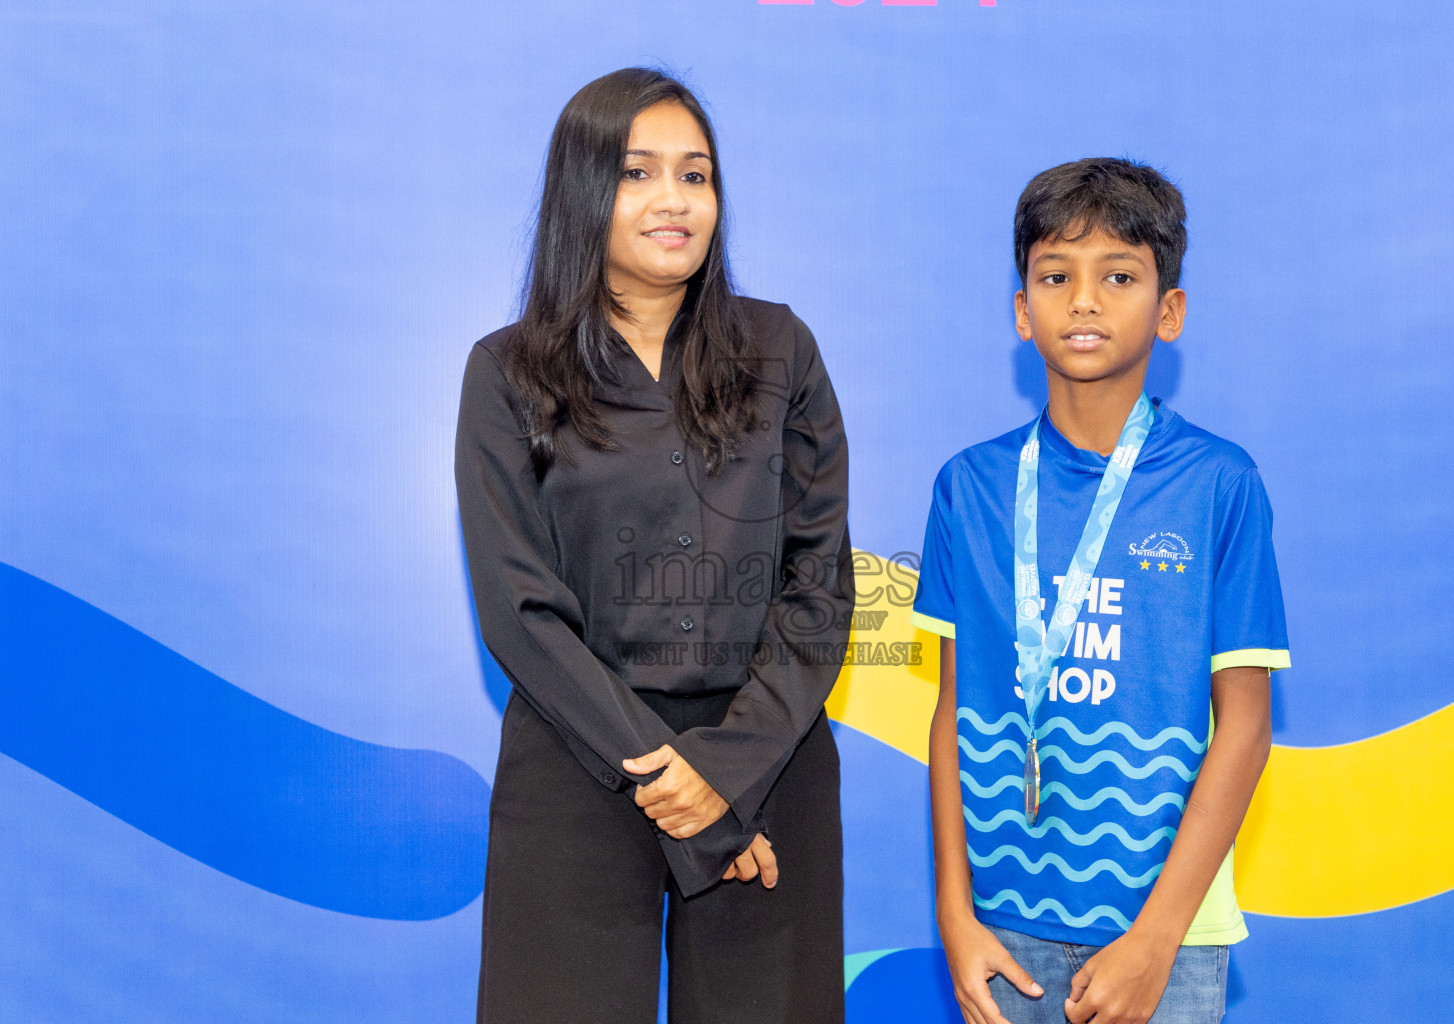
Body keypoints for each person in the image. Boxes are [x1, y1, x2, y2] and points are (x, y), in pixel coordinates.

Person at [455, 68, 852, 1024]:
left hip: (768, 762)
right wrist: (672, 779)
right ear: (585, 192)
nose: (675, 200)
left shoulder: (780, 348)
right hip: (579, 767)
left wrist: (725, 773)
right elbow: (521, 610)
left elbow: (818, 581)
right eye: (638, 174)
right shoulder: (507, 373)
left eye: (697, 174)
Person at [912, 158, 1289, 1024]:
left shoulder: (1219, 483)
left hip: (1165, 929)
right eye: (1055, 276)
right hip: (1003, 931)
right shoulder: (969, 486)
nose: (1083, 300)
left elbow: (1247, 724)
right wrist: (954, 914)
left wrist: (1157, 939)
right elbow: (950, 712)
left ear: (1169, 312)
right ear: (1021, 311)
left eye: (1118, 276)